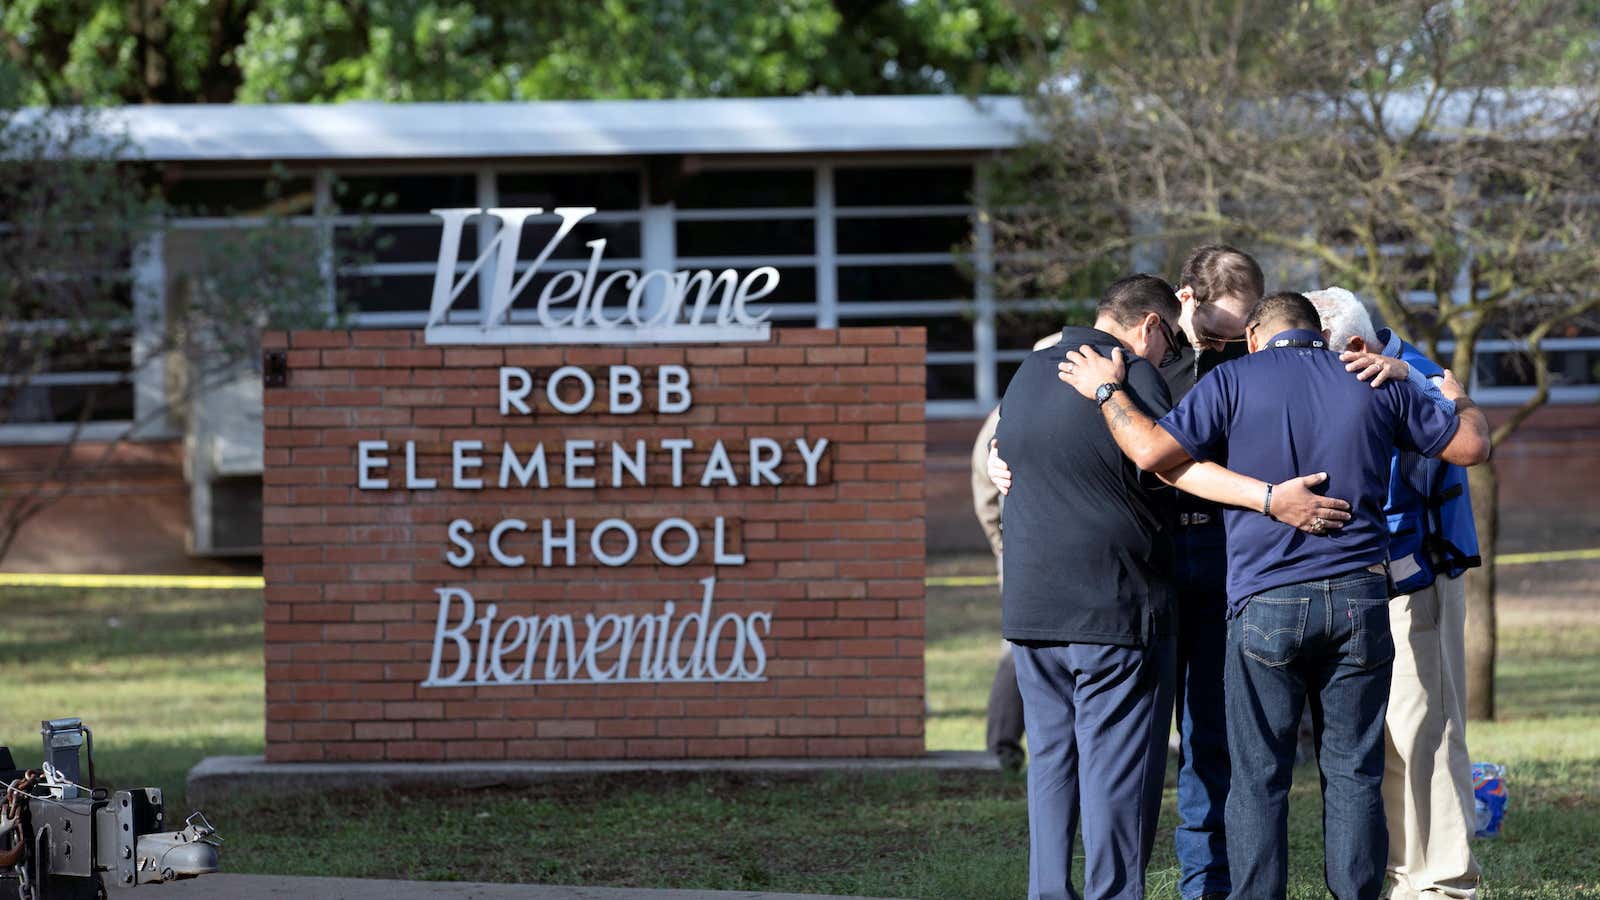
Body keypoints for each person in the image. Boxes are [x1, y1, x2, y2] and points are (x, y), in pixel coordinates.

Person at [1055, 291, 1491, 900]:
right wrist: (1456, 396)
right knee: (1355, 772)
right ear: (1319, 333)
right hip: (1362, 598)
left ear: (1256, 334)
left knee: (1259, 776)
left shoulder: (1232, 379)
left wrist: (1107, 391)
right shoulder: (1374, 379)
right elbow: (1471, 448)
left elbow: (1153, 453)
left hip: (1267, 603)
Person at [996, 276, 1351, 900]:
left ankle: (1048, 891)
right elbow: (1172, 466)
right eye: (1165, 346)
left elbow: (1010, 453)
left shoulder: (1028, 371)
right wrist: (1269, 498)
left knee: (1051, 765)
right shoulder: (1132, 373)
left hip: (1030, 608)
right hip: (1113, 608)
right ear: (1152, 327)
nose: (1165, 359)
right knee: (1119, 771)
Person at [1306, 287, 1484, 900]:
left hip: (1416, 584)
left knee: (1426, 733)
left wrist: (1410, 377)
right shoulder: (1359, 371)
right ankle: (1399, 874)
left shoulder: (1419, 376)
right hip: (1356, 585)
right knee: (1378, 738)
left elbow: (1464, 435)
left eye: (1322, 358)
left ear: (1355, 347)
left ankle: (1442, 883)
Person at [971, 332, 1064, 773]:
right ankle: (1003, 743)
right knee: (1018, 649)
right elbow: (985, 493)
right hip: (1021, 548)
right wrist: (1004, 550)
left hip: (1029, 547)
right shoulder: (1010, 413)